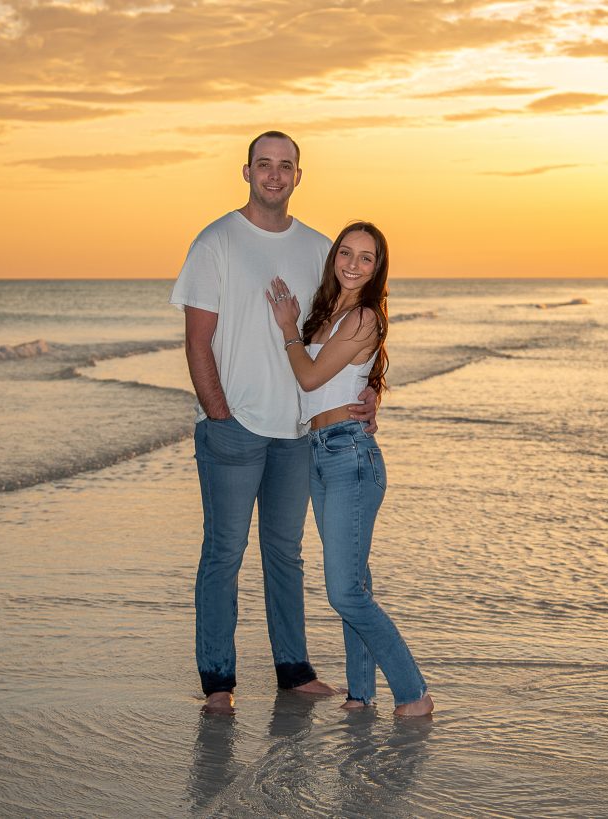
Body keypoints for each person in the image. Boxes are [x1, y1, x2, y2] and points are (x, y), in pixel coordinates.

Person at [169, 131, 377, 714]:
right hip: (234, 428)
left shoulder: (318, 248)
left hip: (298, 431)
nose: (275, 175)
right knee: (224, 553)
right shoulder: (216, 242)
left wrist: (370, 395)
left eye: (286, 166)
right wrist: (219, 414)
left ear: (298, 175)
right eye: (265, 165)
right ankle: (218, 679)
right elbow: (197, 339)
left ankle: (293, 669)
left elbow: (349, 335)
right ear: (247, 172)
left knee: (286, 554)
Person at [266, 221, 434, 717]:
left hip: (349, 456)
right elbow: (322, 387)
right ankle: (361, 695)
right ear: (334, 257)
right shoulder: (326, 314)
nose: (354, 264)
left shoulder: (362, 317)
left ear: (378, 268)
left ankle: (414, 693)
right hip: (319, 450)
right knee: (354, 584)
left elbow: (311, 374)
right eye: (346, 253)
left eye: (366, 257)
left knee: (343, 591)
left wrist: (285, 330)